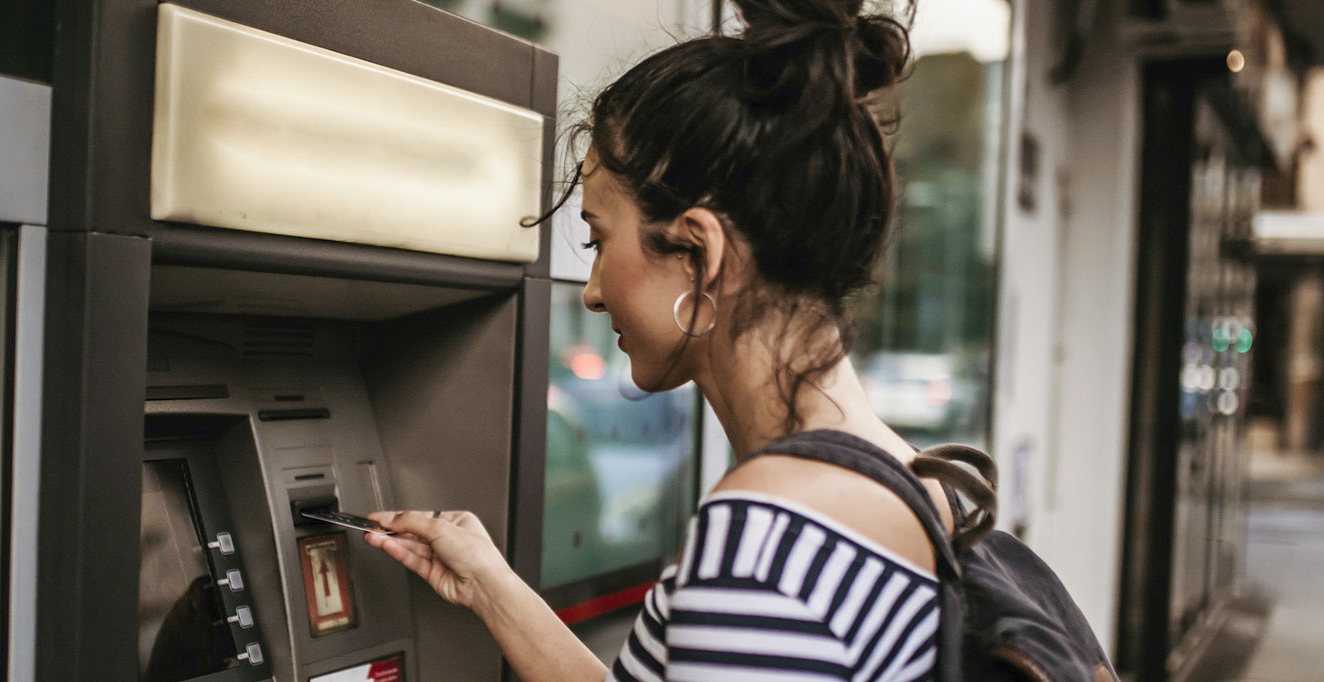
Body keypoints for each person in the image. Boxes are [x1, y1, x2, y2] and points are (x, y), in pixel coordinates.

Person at [364, 2, 960, 679]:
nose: (590, 291)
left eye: (598, 240)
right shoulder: (908, 476)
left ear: (699, 252)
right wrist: (489, 587)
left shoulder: (761, 548)